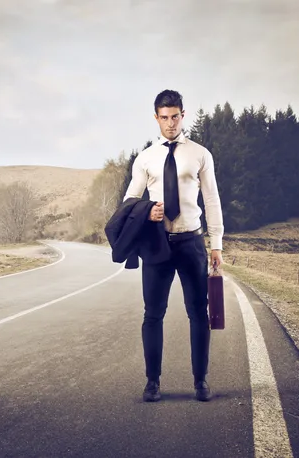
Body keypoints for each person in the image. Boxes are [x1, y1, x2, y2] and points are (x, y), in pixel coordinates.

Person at [122, 89, 224, 402]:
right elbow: (129, 200)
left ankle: (201, 381)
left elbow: (211, 199)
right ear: (156, 118)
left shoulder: (200, 154)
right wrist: (146, 209)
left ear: (183, 115)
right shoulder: (146, 158)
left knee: (198, 313)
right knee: (152, 314)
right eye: (164, 118)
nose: (170, 123)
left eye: (175, 116)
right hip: (158, 245)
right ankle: (152, 382)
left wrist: (216, 244)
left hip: (191, 242)